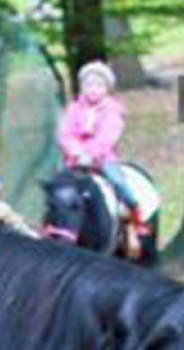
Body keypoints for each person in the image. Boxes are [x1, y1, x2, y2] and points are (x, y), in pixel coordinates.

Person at [58, 60, 147, 257]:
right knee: (59, 188)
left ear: (107, 88)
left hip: (103, 160)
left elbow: (108, 136)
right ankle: (57, 226)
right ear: (82, 87)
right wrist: (76, 153)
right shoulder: (74, 109)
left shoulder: (112, 110)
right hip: (76, 161)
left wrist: (91, 155)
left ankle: (134, 221)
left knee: (119, 183)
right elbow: (66, 133)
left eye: (99, 85)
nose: (93, 90)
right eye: (89, 85)